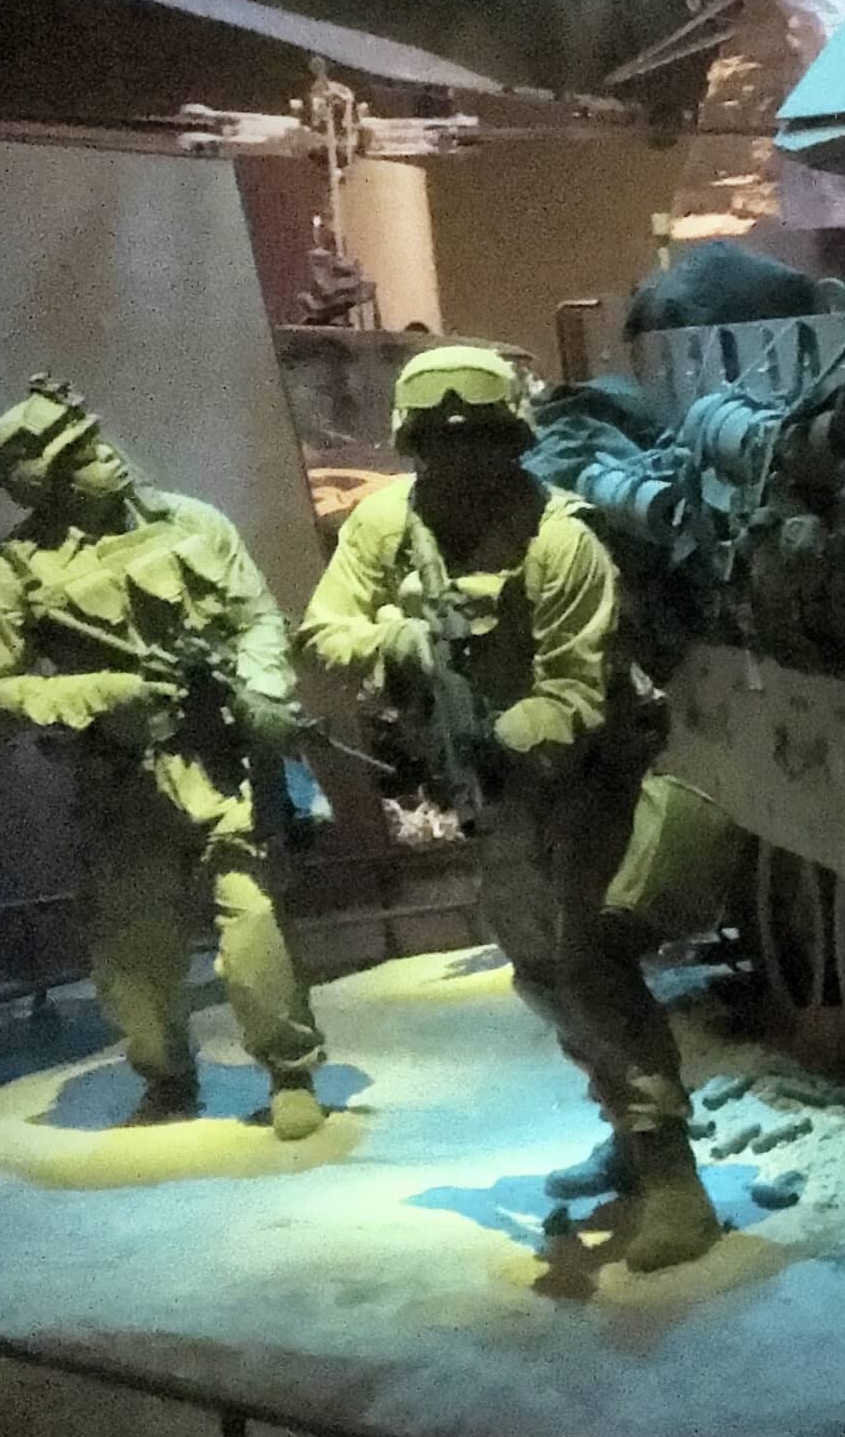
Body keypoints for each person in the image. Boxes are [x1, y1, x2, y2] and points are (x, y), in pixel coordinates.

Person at [298, 343, 719, 1273]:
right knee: (536, 971)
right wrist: (403, 646)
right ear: (412, 444)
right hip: (489, 797)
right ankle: (620, 1124)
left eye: (481, 437)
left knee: (594, 964)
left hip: (578, 782)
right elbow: (324, 631)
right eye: (440, 441)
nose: (461, 459)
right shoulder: (384, 526)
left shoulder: (561, 540)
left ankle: (673, 1173)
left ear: (512, 439)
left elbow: (574, 692)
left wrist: (501, 738)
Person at [0, 378, 329, 1138]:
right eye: (80, 457)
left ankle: (290, 1071)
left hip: (222, 764)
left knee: (252, 923)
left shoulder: (193, 523)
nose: (106, 457)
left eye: (96, 440)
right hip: (122, 786)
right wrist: (106, 692)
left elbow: (258, 616)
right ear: (45, 485)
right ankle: (167, 1078)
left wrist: (262, 687)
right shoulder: (17, 575)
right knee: (136, 963)